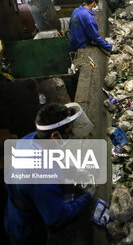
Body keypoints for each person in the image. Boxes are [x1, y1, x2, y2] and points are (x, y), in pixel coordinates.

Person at [4, 103, 96, 245]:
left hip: (16, 209)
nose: (70, 136)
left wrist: (74, 171)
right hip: (28, 229)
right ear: (54, 135)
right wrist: (87, 197)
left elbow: (53, 161)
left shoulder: (30, 139)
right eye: (68, 133)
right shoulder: (42, 174)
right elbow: (56, 217)